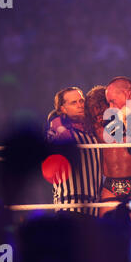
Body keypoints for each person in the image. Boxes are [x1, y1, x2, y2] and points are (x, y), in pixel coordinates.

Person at [84, 85, 131, 217]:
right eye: (95, 115)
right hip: (111, 184)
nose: (99, 118)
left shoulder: (128, 118)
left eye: (100, 113)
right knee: (107, 226)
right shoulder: (93, 127)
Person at [45, 86, 102, 216]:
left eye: (81, 101)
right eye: (73, 103)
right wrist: (57, 123)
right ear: (63, 109)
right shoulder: (56, 131)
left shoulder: (91, 131)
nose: (80, 105)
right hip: (69, 205)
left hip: (94, 206)